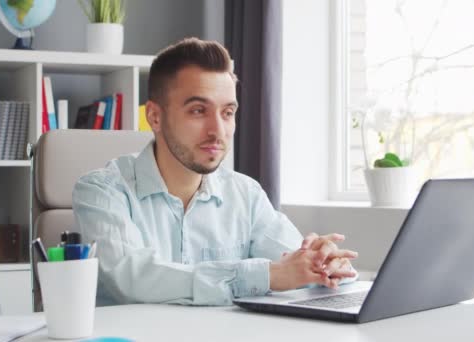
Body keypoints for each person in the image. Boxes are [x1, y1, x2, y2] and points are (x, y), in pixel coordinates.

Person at [72, 37, 359, 306]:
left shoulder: (245, 194)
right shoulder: (102, 190)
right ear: (155, 117)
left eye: (228, 113)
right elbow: (133, 278)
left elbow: (297, 263)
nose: (217, 131)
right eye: (198, 111)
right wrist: (267, 275)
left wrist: (325, 264)